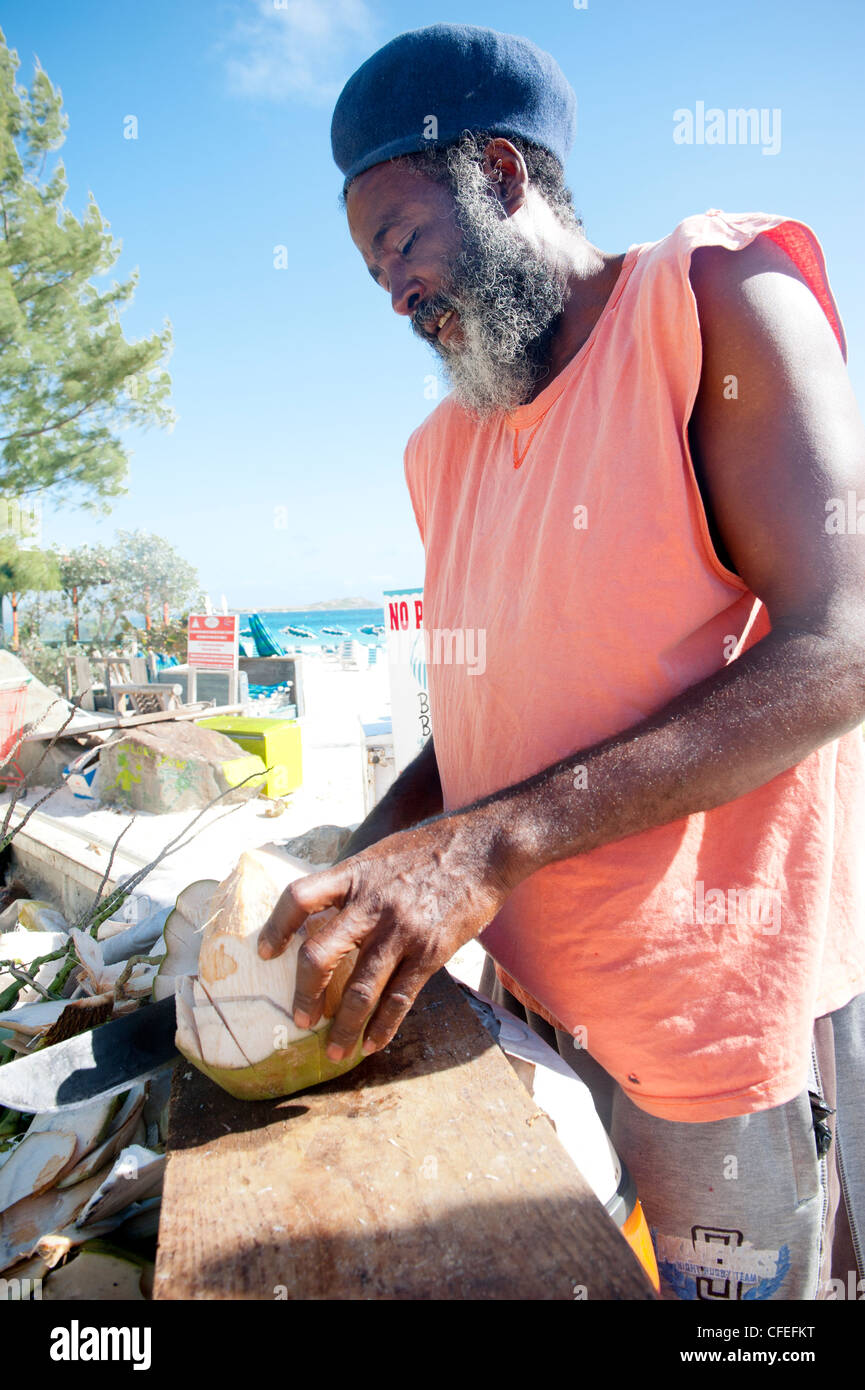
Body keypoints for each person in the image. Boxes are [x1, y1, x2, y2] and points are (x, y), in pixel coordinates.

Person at [259, 23, 865, 1301]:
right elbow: (488, 718)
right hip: (520, 1007)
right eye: (372, 270)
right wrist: (366, 851)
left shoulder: (709, 294)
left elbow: (844, 641)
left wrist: (484, 845)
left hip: (707, 1029)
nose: (395, 293)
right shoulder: (443, 448)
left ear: (500, 171)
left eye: (404, 241)